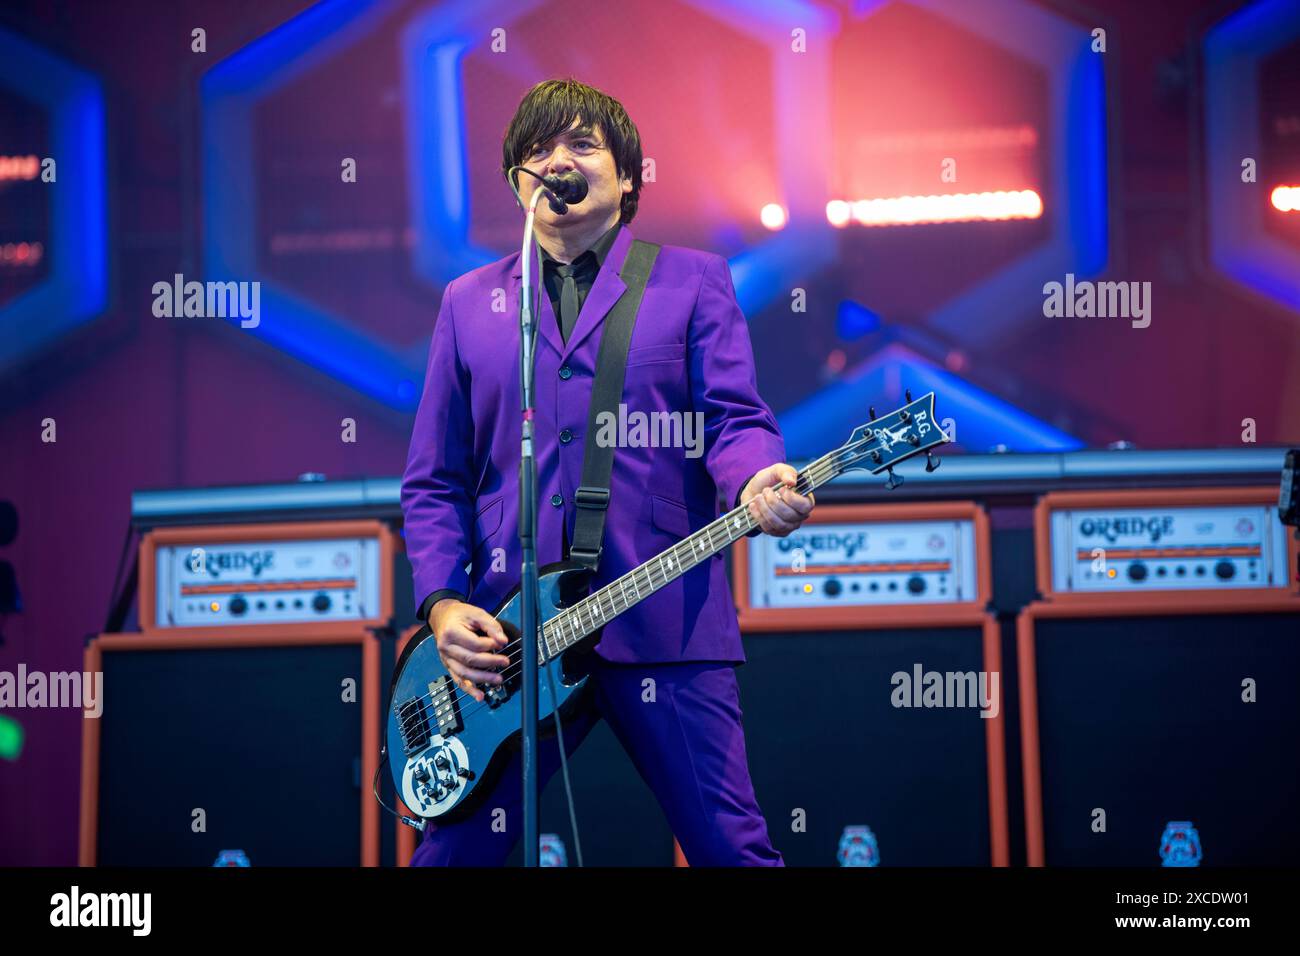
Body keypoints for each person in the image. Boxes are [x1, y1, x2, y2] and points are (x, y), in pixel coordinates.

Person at [400, 78, 814, 866]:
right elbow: (434, 480)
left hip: (663, 620)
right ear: (517, 184)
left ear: (628, 179)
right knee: (452, 860)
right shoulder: (467, 304)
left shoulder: (691, 281)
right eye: (537, 151)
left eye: (581, 145)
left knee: (732, 850)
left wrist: (757, 478)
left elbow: (735, 420)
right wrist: (444, 604)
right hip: (512, 640)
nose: (557, 160)